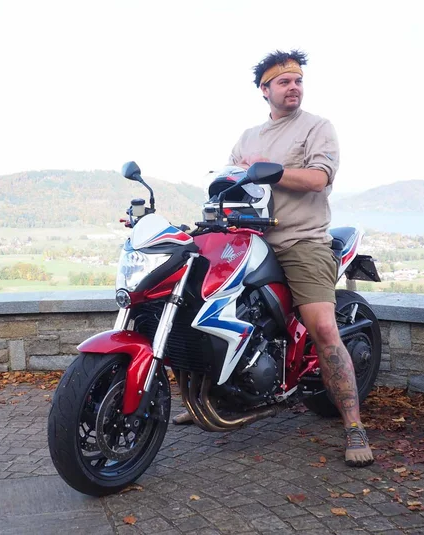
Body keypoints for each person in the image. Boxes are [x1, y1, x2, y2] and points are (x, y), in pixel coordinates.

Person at [174, 49, 374, 468]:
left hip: (302, 241)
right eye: (283, 82)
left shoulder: (317, 127)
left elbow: (320, 177)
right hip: (250, 239)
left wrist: (269, 170)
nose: (293, 87)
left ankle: (353, 425)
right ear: (265, 90)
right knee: (196, 304)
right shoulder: (248, 137)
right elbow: (231, 182)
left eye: (298, 80)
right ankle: (203, 400)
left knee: (322, 326)